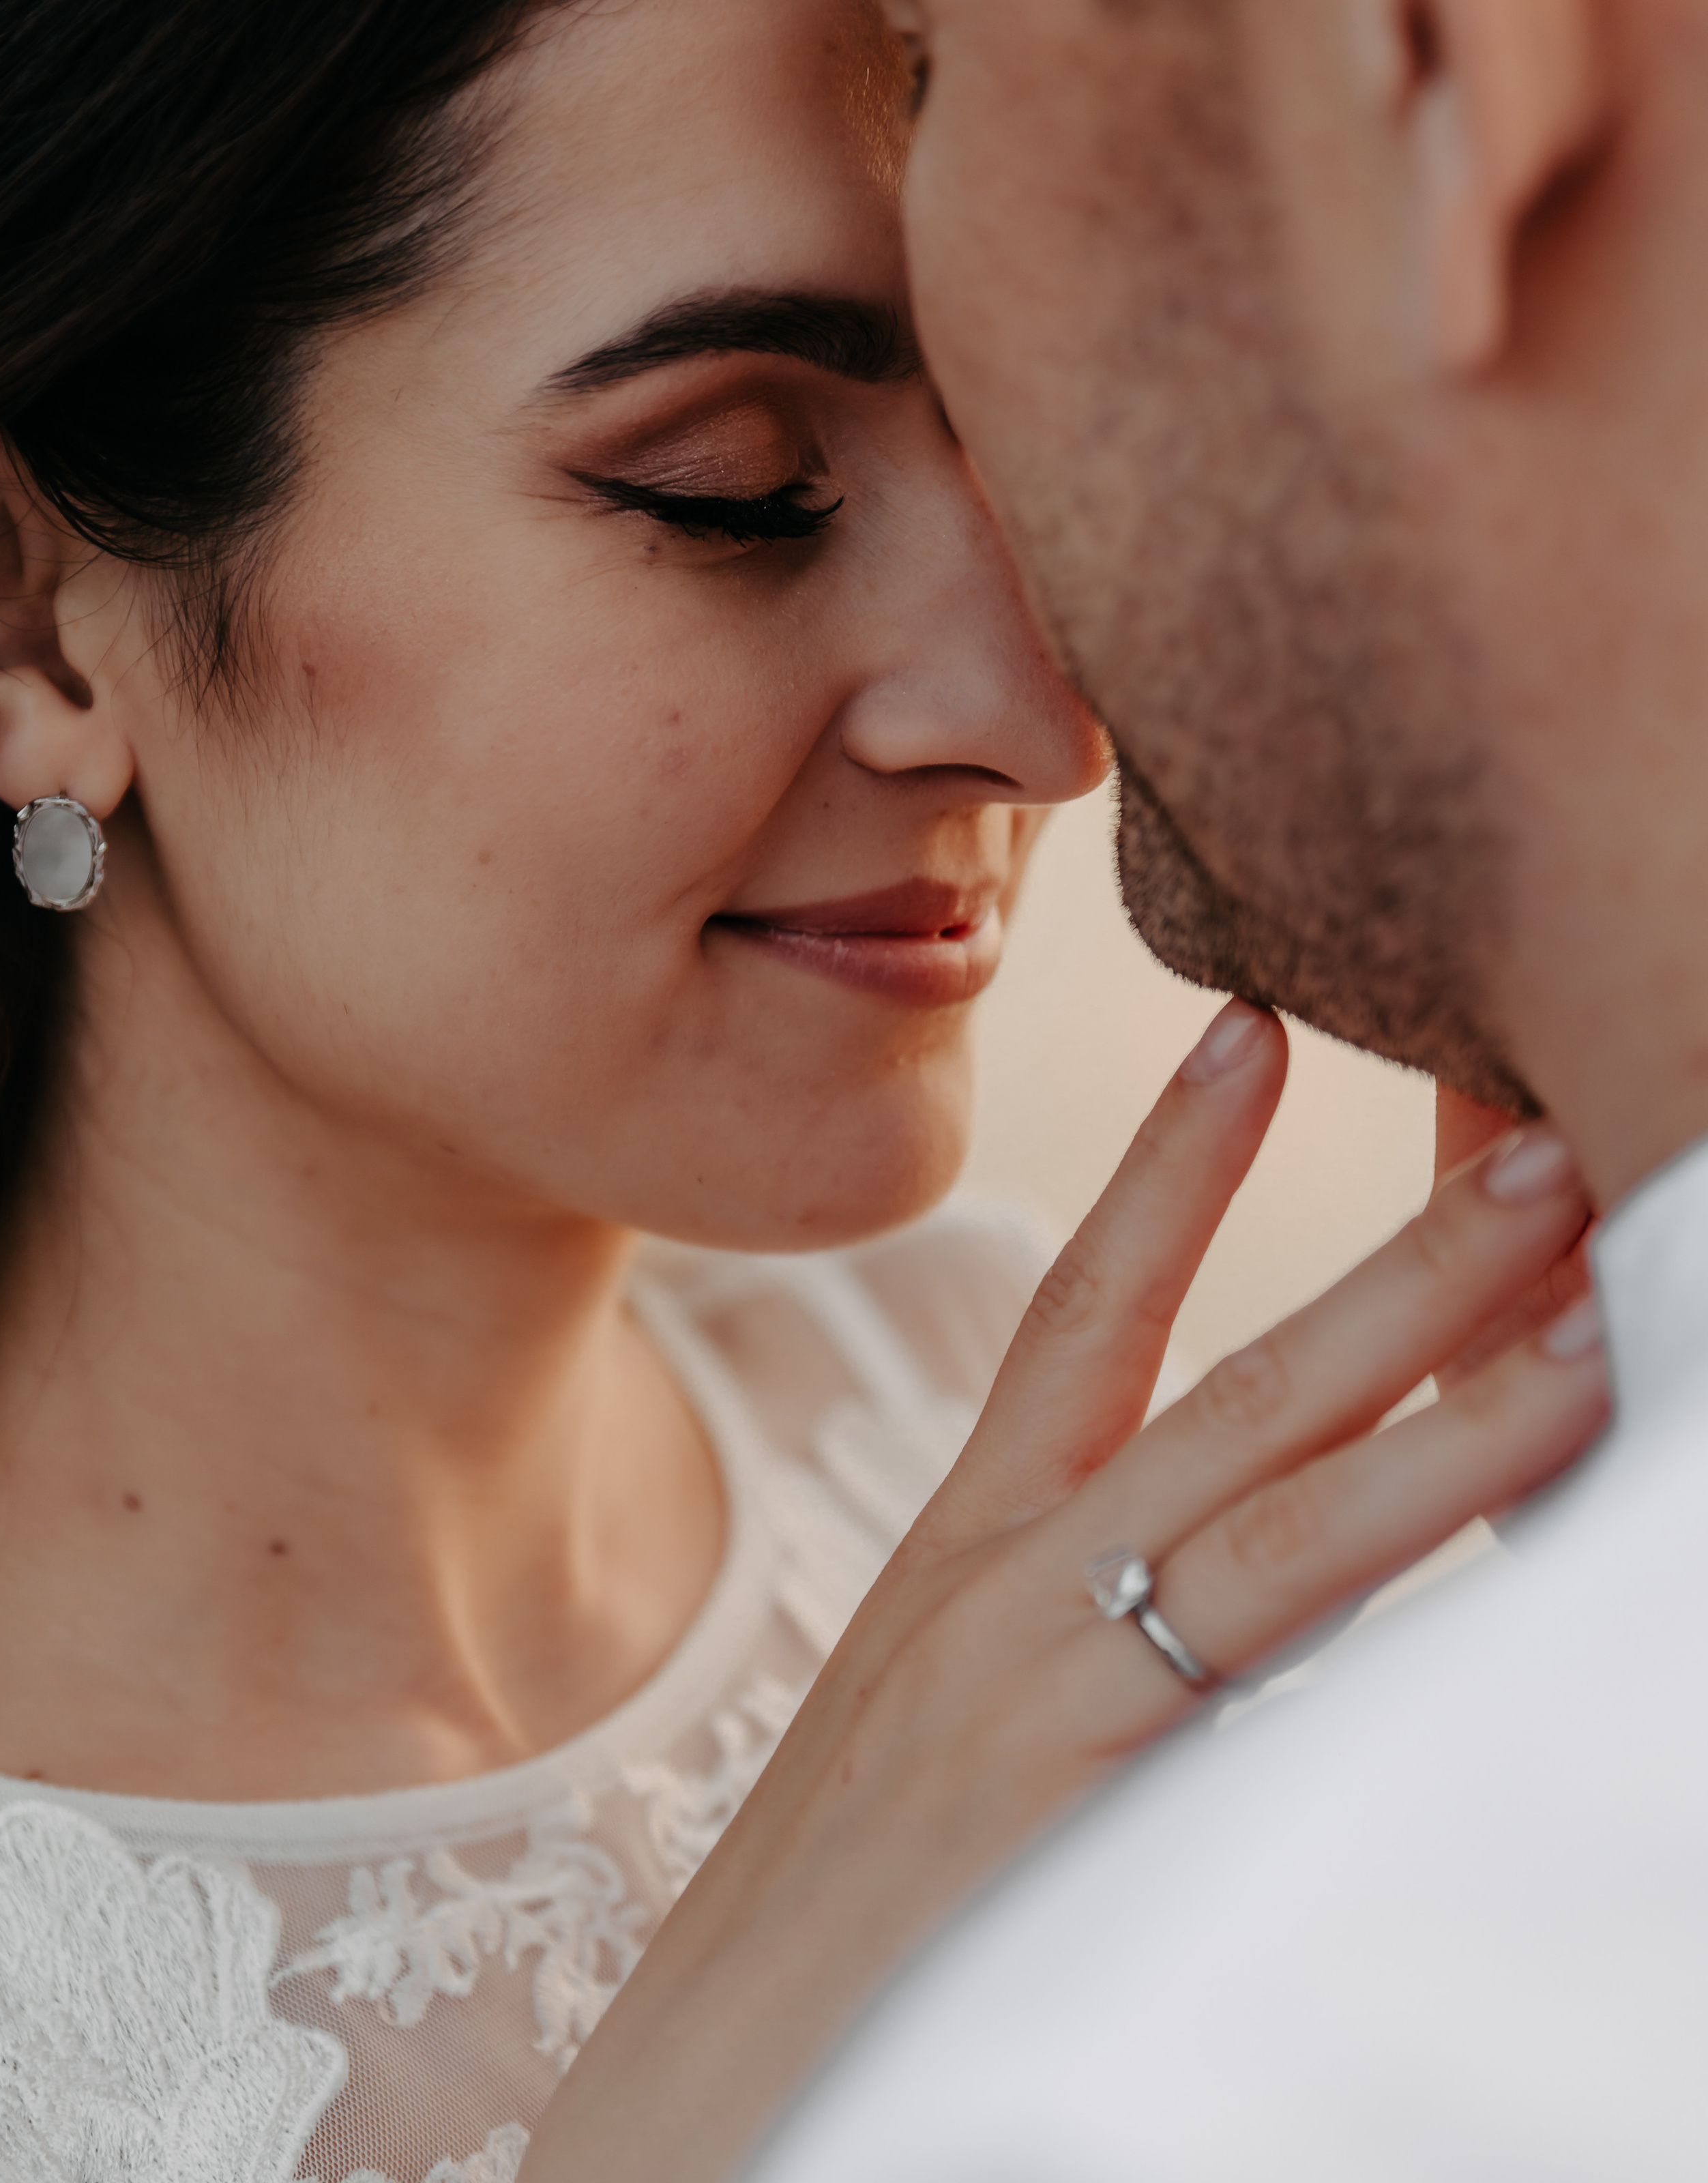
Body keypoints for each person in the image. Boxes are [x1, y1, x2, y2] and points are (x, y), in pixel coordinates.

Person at [0, 2, 1600, 2178]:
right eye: (737, 495)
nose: (1043, 723)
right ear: (25, 626)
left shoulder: (988, 1441)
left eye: (1019, 431)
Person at [741, 1, 1708, 2177]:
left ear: (1440, 75)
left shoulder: (1195, 2089)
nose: (1039, 727)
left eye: (949, 69)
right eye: (740, 496)